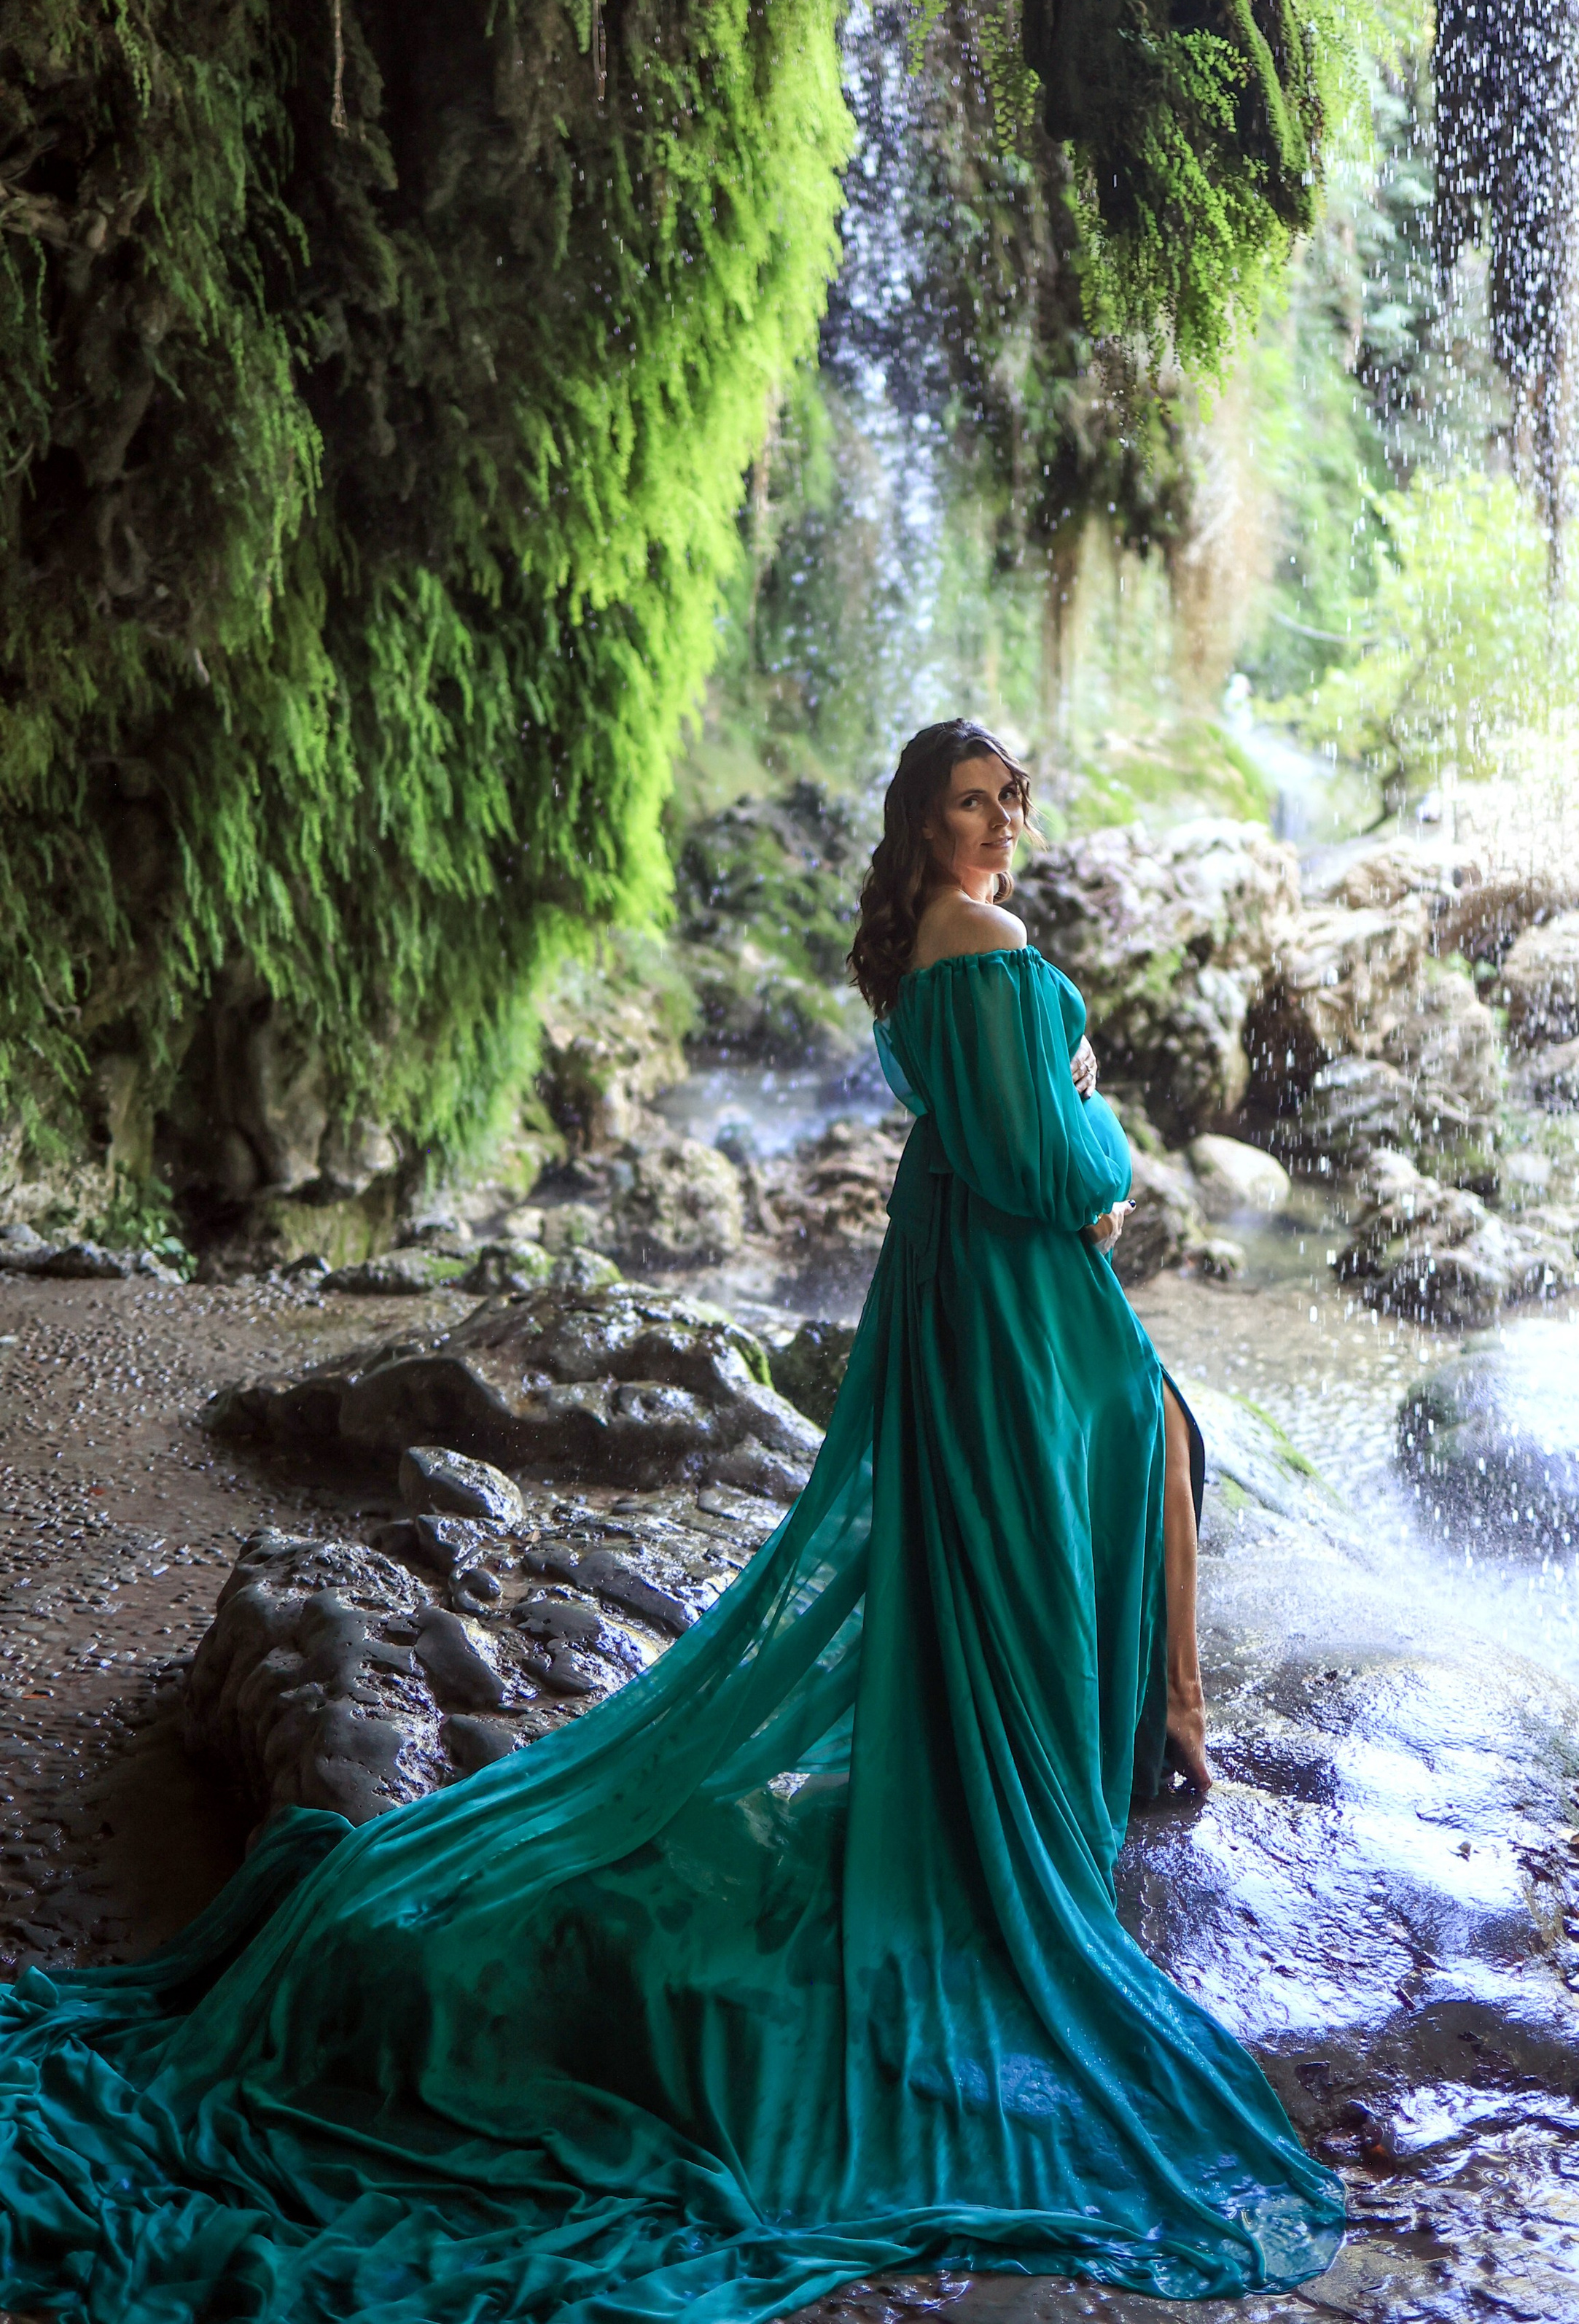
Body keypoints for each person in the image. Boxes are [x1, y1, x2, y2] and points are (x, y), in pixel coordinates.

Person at [0, 720, 1343, 2324]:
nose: (994, 825)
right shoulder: (978, 942)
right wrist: (1100, 1127)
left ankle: (1137, 1715)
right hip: (1005, 1292)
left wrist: (1063, 1109)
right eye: (964, 803)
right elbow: (1055, 1175)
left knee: (1121, 1458)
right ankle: (1134, 1726)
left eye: (1004, 802)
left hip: (966, 1287)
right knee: (1130, 1441)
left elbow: (992, 1134)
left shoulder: (936, 949)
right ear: (917, 824)